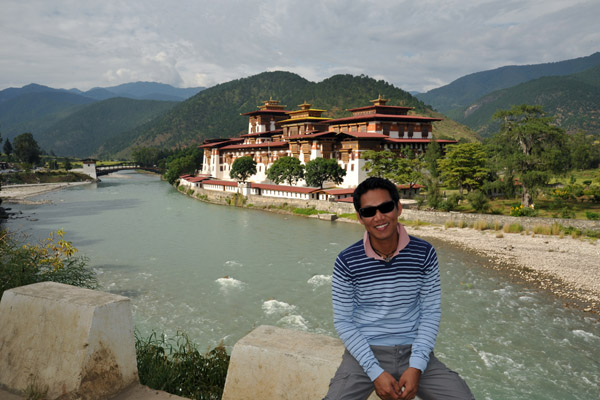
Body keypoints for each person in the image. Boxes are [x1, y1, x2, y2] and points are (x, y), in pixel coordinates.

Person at [325, 177, 474, 400]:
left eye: (386, 208)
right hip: (365, 351)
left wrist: (416, 366)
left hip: (414, 348)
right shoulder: (347, 261)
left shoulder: (424, 254)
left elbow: (430, 312)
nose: (379, 217)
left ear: (398, 208)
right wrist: (375, 372)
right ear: (360, 218)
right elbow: (343, 321)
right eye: (369, 212)